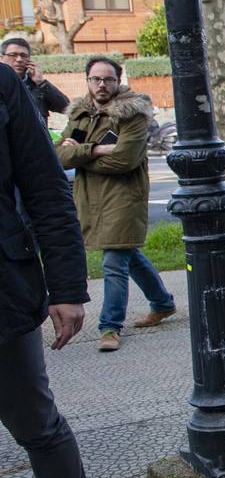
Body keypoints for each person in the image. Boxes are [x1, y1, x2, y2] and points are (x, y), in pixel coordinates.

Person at [0, 62, 100, 478]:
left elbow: (44, 188)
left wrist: (65, 288)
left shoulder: (3, 84)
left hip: (4, 298)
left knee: (35, 423)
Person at [55, 57, 175, 353]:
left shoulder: (132, 114)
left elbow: (124, 160)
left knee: (114, 261)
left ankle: (110, 326)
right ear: (87, 80)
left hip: (124, 197)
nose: (102, 85)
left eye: (108, 79)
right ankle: (162, 302)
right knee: (128, 253)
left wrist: (81, 157)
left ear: (118, 81)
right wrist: (96, 149)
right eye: (96, 79)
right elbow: (59, 156)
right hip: (90, 199)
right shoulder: (80, 114)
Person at [1, 33, 70, 126]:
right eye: (13, 54)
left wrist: (41, 82)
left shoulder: (38, 86)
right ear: (1, 58)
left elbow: (66, 108)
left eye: (23, 55)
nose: (19, 59)